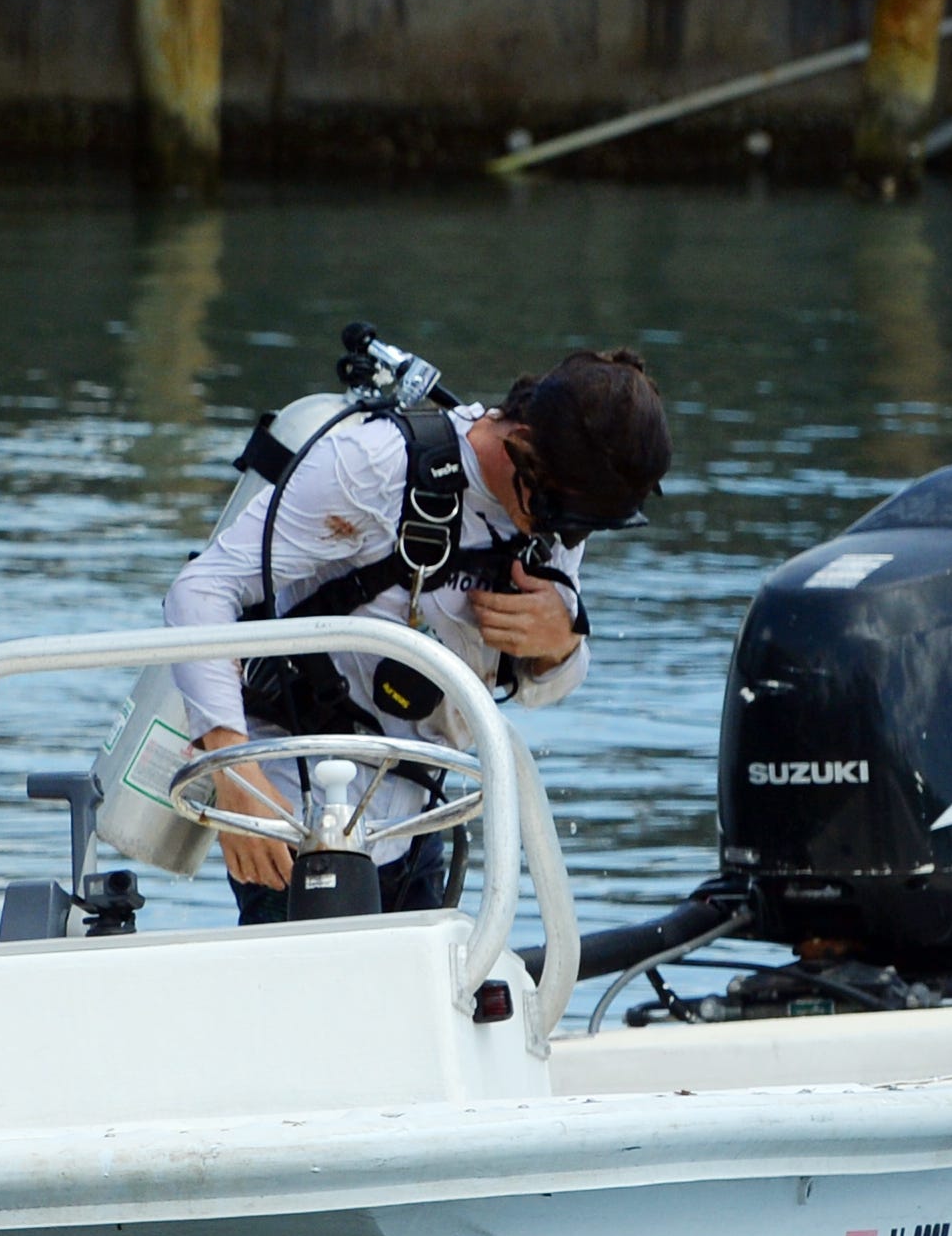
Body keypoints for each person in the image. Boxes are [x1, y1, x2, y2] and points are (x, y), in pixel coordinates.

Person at [164, 348, 673, 919]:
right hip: (302, 806)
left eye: (584, 528)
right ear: (524, 446)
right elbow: (200, 591)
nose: (569, 539)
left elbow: (543, 688)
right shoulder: (373, 467)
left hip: (419, 814)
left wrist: (560, 646)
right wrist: (237, 777)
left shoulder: (559, 511)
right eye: (565, 518)